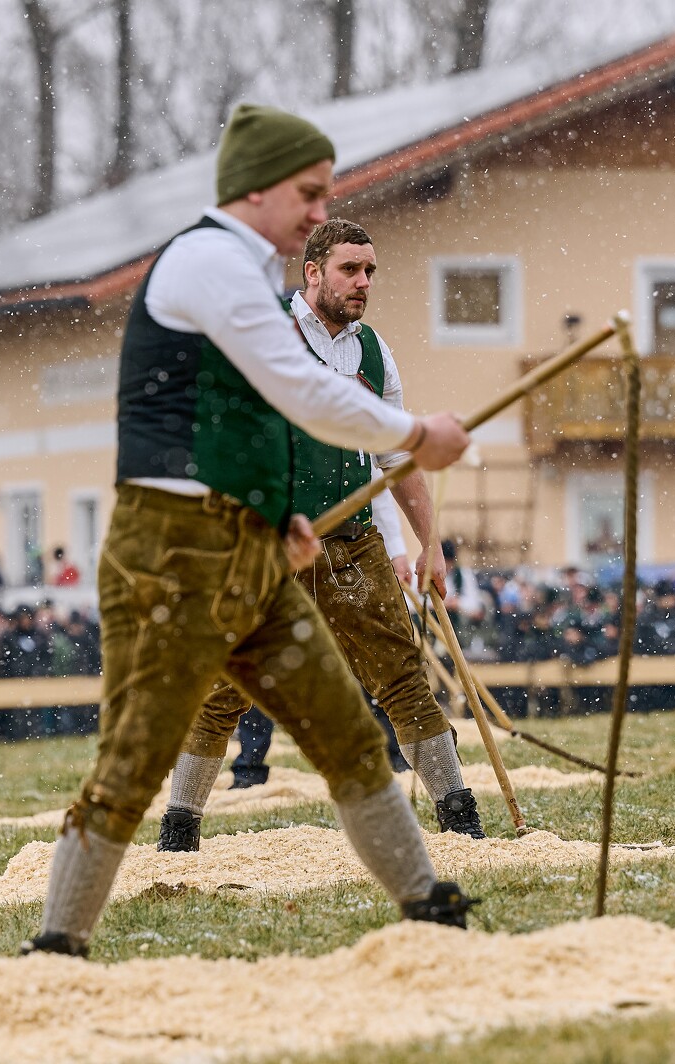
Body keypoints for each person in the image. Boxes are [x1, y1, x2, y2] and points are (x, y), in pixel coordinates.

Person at [24, 104, 475, 960]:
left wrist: (275, 514)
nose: (318, 210)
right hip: (172, 549)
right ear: (257, 188)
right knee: (140, 749)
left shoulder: (245, 274)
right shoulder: (207, 261)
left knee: (345, 726)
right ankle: (56, 945)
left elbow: (253, 418)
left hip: (245, 546)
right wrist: (415, 436)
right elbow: (300, 392)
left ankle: (431, 909)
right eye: (309, 194)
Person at [157, 219, 485, 849]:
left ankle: (457, 812)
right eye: (348, 270)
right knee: (227, 684)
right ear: (312, 272)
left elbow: (399, 458)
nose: (362, 282)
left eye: (369, 271)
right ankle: (180, 824)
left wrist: (430, 544)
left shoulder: (373, 353)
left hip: (351, 543)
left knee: (401, 675)